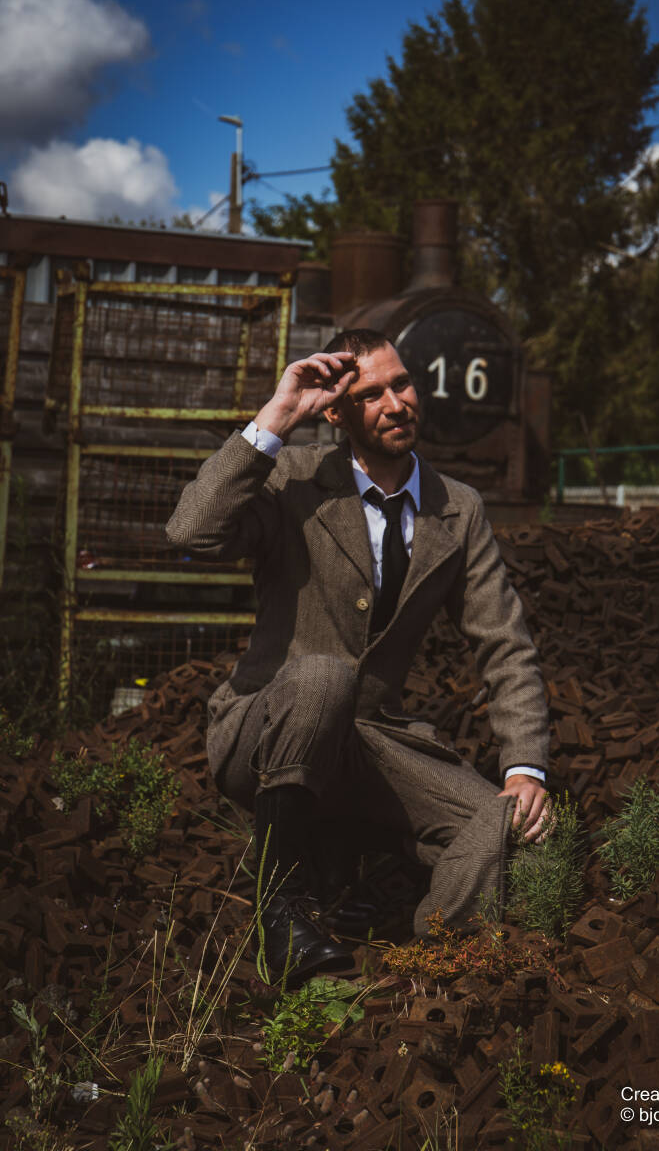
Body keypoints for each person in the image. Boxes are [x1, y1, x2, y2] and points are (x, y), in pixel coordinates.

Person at [166, 328, 550, 981]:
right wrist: (276, 418)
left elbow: (506, 646)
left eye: (402, 384)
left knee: (514, 829)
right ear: (337, 413)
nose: (396, 404)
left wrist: (525, 769)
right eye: (371, 395)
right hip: (265, 728)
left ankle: (432, 955)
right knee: (321, 677)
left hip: (372, 743)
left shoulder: (458, 510)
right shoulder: (292, 478)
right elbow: (191, 532)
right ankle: (281, 912)